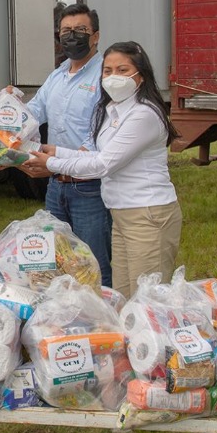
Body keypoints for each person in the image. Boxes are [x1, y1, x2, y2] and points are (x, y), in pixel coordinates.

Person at [24, 41, 182, 300]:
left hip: (148, 215)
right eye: (107, 71)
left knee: (147, 299)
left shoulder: (144, 114)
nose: (112, 77)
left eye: (122, 70)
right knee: (122, 295)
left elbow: (103, 164)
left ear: (140, 75)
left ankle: (154, 341)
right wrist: (56, 151)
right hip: (122, 215)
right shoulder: (112, 111)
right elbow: (99, 154)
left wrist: (50, 164)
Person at [21, 3, 113, 287]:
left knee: (93, 265)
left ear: (95, 36)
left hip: (89, 188)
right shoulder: (57, 75)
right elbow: (33, 113)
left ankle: (103, 325)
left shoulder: (104, 75)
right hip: (55, 188)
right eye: (66, 31)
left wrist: (53, 163)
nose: (72, 37)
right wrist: (5, 112)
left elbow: (100, 134)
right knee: (55, 262)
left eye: (80, 31)